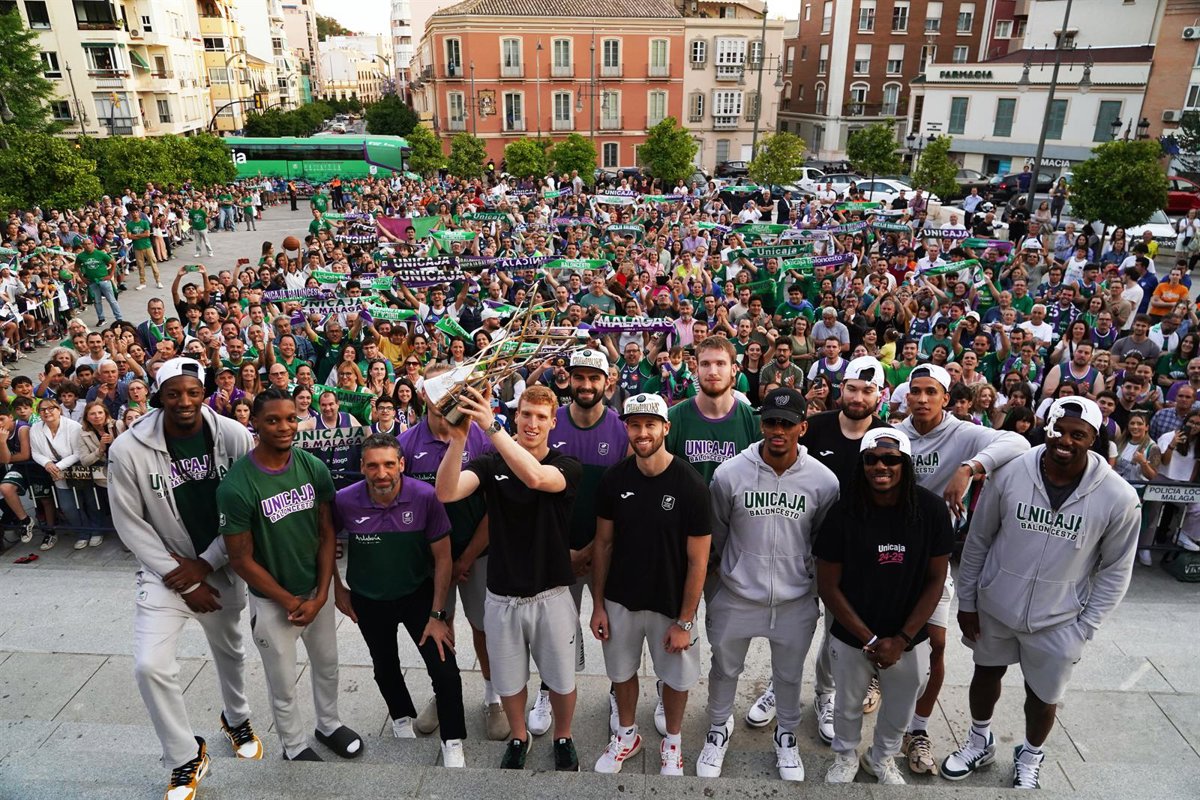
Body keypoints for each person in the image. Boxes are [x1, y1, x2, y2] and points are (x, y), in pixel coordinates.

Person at [947, 396, 1141, 788]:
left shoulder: (1118, 496)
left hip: (1060, 619)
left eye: (1078, 435)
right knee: (985, 674)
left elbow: (1117, 569)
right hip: (996, 605)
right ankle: (979, 741)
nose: (1065, 441)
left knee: (1043, 696)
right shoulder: (1012, 472)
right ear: (1046, 428)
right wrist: (968, 600)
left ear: (1093, 438)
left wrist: (1086, 626)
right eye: (1059, 430)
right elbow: (979, 540)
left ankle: (1031, 754)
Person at [107, 358, 262, 800]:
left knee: (230, 651)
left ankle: (236, 718)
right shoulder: (128, 448)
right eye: (173, 393)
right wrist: (185, 578)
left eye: (193, 391)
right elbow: (129, 521)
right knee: (149, 665)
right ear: (158, 397)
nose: (184, 401)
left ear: (204, 392)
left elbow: (247, 508)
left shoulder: (233, 434)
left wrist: (207, 563)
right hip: (166, 571)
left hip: (222, 564)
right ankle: (183, 755)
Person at [434, 384, 584, 772]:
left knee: (561, 679)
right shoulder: (489, 463)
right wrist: (458, 440)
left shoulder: (567, 465)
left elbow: (535, 478)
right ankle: (519, 736)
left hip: (551, 592)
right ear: (517, 416)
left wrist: (492, 427)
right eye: (526, 414)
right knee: (509, 680)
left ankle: (563, 735)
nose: (532, 423)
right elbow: (446, 492)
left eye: (541, 417)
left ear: (553, 422)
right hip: (501, 593)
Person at [894, 362, 1030, 776]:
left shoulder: (964, 433)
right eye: (915, 391)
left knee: (936, 644)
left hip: (933, 559)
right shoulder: (895, 433)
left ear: (946, 398)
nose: (921, 399)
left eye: (930, 392)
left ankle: (918, 728)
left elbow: (1017, 442)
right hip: (890, 555)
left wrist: (969, 467)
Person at [697, 387, 840, 782]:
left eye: (787, 424)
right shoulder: (730, 474)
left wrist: (809, 584)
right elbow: (718, 532)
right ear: (761, 424)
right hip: (738, 594)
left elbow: (821, 539)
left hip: (794, 599)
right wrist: (729, 575)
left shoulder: (823, 481)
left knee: (789, 675)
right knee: (724, 669)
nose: (778, 430)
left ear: (802, 428)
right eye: (771, 422)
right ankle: (718, 728)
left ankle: (786, 735)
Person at [747, 357, 892, 738]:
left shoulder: (887, 437)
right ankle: (780, 687)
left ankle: (826, 694)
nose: (858, 397)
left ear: (880, 395)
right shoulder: (817, 427)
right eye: (852, 388)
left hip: (856, 556)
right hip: (803, 548)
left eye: (867, 390)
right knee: (791, 628)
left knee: (836, 632)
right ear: (841, 388)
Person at [218, 388, 363, 762]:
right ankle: (294, 744)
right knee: (282, 681)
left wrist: (324, 592)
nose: (284, 427)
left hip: (316, 591)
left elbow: (327, 533)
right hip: (272, 601)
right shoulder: (237, 485)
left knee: (327, 665)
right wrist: (289, 600)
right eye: (272, 420)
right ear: (255, 422)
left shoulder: (312, 466)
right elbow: (240, 559)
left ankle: (328, 724)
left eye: (289, 419)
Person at [817, 428, 953, 785]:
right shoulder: (843, 512)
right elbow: (827, 585)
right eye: (872, 459)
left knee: (901, 706)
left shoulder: (931, 510)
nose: (881, 466)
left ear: (905, 464)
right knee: (847, 704)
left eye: (891, 459)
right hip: (852, 634)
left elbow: (936, 580)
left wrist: (902, 638)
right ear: (862, 464)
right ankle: (845, 756)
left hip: (909, 634)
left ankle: (880, 758)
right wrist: (871, 639)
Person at [589, 393, 711, 775]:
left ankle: (672, 742)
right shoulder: (614, 479)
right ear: (626, 428)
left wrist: (685, 621)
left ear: (665, 428)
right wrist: (597, 605)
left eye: (650, 424)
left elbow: (699, 560)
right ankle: (627, 735)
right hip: (621, 599)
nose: (643, 433)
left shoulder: (691, 484)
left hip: (670, 604)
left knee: (676, 678)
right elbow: (603, 544)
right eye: (635, 425)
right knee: (621, 673)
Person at [331, 433, 466, 767]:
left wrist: (438, 614)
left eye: (389, 464)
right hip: (368, 598)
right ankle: (401, 717)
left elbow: (444, 558)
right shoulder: (344, 500)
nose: (382, 473)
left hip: (417, 595)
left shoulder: (425, 496)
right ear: (362, 466)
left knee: (445, 669)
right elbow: (324, 541)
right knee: (385, 665)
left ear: (402, 464)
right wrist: (337, 587)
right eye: (373, 466)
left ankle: (452, 739)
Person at [399, 363, 504, 740]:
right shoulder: (406, 444)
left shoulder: (482, 438)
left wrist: (465, 558)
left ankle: (493, 697)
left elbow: (496, 509)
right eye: (436, 388)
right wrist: (438, 560)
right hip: (431, 560)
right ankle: (445, 692)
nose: (444, 396)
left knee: (484, 628)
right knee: (439, 626)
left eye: (451, 388)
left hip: (478, 555)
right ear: (422, 393)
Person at [533, 348, 629, 736]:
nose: (586, 385)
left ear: (608, 382)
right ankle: (548, 688)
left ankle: (617, 690)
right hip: (557, 551)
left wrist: (591, 550)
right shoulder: (550, 423)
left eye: (594, 378)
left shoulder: (622, 429)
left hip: (608, 551)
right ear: (568, 379)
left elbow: (626, 500)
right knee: (554, 630)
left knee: (615, 627)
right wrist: (563, 551)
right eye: (579, 377)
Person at [665, 337, 758, 484]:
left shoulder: (754, 421)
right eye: (705, 364)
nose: (712, 372)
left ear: (734, 370)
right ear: (697, 370)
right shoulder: (671, 419)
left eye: (720, 363)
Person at [75, 237, 123, 325]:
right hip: (92, 281)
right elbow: (76, 267)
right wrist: (82, 278)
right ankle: (101, 319)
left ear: (93, 244)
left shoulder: (100, 254)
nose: (87, 246)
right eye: (85, 244)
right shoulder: (81, 256)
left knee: (111, 300)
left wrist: (110, 275)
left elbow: (113, 263)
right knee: (97, 301)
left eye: (89, 244)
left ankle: (119, 318)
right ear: (83, 246)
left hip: (103, 280)